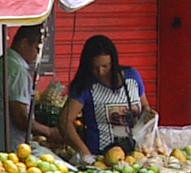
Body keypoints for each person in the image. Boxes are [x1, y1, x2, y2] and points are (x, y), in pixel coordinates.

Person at [59, 34, 153, 163]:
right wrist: (85, 154)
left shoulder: (132, 77)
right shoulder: (85, 86)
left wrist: (149, 116)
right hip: (100, 159)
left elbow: (145, 108)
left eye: (105, 66)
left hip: (135, 156)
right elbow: (65, 121)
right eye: (95, 67)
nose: (100, 72)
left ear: (113, 63)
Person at [0, 25, 61, 152]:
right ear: (24, 43)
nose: (37, 53)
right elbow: (20, 117)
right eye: (36, 48)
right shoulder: (17, 71)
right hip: (7, 148)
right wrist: (49, 132)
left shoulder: (0, 64)